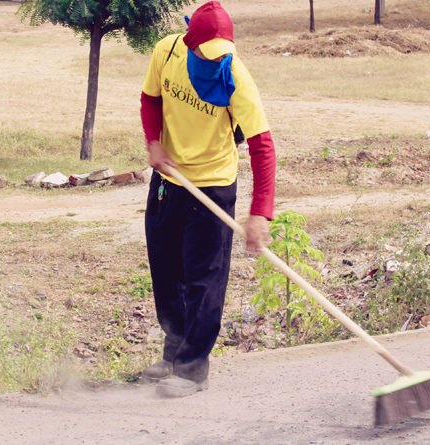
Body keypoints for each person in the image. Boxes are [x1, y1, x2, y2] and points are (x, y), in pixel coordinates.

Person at [138, 0, 277, 398]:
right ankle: (174, 354)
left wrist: (259, 214)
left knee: (203, 279)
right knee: (166, 273)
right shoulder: (167, 51)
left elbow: (262, 146)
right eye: (208, 51)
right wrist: (154, 143)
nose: (216, 58)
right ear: (191, 43)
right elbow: (150, 100)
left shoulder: (235, 75)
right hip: (170, 179)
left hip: (213, 184)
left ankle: (193, 368)